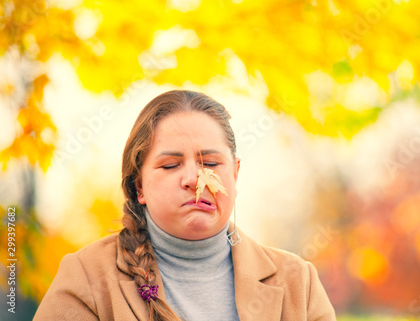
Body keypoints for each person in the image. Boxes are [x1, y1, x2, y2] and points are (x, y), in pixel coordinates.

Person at [34, 90, 336, 320]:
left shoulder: (298, 281)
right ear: (140, 186)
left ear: (235, 173)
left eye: (212, 163)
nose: (194, 179)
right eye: (170, 165)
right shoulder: (87, 277)